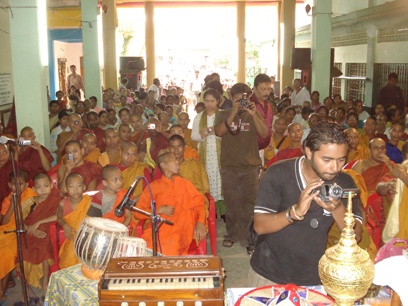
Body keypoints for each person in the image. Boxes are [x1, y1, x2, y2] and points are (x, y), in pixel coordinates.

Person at [249, 122, 362, 286]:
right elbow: (260, 225)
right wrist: (294, 213)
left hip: (313, 276)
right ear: (309, 151)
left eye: (341, 160)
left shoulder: (344, 182)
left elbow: (356, 235)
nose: (335, 167)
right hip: (269, 273)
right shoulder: (278, 173)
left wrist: (337, 208)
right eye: (327, 159)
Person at [214, 83, 269, 250]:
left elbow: (264, 134)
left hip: (250, 166)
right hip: (229, 165)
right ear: (231, 99)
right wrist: (233, 112)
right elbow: (219, 132)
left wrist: (253, 114)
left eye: (244, 99)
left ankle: (248, 237)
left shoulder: (253, 114)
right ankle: (231, 234)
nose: (241, 102)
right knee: (231, 203)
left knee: (249, 204)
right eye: (237, 99)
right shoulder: (223, 114)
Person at [134, 152, 206, 255]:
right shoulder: (154, 187)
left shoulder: (184, 183)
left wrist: (200, 222)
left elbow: (199, 203)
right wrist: (159, 210)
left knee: (171, 245)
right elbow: (137, 213)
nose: (178, 162)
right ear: (164, 165)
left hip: (182, 228)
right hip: (160, 228)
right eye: (173, 160)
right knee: (149, 245)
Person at [20, 173, 62, 297]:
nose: (43, 190)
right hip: (29, 232)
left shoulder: (55, 200)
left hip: (45, 230)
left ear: (51, 186)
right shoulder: (29, 202)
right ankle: (25, 283)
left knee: (44, 244)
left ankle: (45, 281)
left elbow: (59, 216)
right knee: (23, 247)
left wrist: (39, 222)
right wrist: (31, 230)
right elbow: (20, 221)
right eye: (39, 187)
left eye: (46, 186)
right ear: (33, 189)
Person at [0, 171, 35, 305]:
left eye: (21, 184)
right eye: (14, 184)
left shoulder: (31, 195)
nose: (17, 187)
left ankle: (2, 291)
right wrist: (13, 204)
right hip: (5, 232)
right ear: (9, 185)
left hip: (20, 233)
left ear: (26, 184)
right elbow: (4, 222)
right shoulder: (7, 199)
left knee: (6, 254)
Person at [192, 89, 223, 207]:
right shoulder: (199, 117)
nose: (209, 104)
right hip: (206, 154)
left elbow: (229, 135)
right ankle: (210, 208)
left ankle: (223, 210)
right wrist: (203, 135)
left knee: (221, 178)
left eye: (212, 101)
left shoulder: (223, 115)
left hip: (220, 153)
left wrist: (217, 133)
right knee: (207, 178)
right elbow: (193, 136)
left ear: (217, 101)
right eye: (207, 101)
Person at [57, 173, 92, 269]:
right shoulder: (63, 203)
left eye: (79, 186)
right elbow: (59, 218)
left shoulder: (89, 201)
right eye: (71, 186)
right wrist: (65, 225)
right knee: (69, 258)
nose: (75, 189)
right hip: (72, 237)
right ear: (66, 189)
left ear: (84, 187)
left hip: (88, 237)